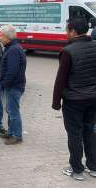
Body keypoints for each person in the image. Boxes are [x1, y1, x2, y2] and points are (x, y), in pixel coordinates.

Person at [52, 17, 96, 181]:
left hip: (74, 101)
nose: (65, 34)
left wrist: (56, 103)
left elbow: (60, 80)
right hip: (93, 99)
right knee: (90, 131)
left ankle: (77, 169)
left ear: (73, 32)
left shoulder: (68, 51)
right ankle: (93, 167)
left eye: (66, 30)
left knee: (75, 134)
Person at [0, 25, 27, 145]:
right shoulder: (11, 47)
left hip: (14, 86)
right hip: (13, 85)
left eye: (1, 35)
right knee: (10, 110)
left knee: (13, 111)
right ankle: (10, 132)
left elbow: (12, 71)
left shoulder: (14, 49)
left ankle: (17, 135)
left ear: (7, 37)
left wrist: (4, 84)